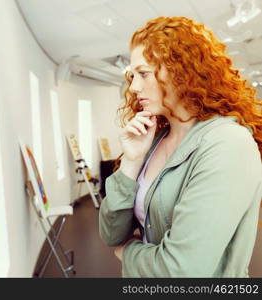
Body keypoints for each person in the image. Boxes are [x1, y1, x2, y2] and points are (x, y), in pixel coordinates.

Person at [99, 16, 262, 277]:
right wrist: (131, 163)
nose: (134, 86)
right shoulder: (155, 138)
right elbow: (110, 233)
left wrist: (127, 252)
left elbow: (182, 271)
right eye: (132, 75)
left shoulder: (228, 145)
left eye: (143, 73)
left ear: (182, 72)